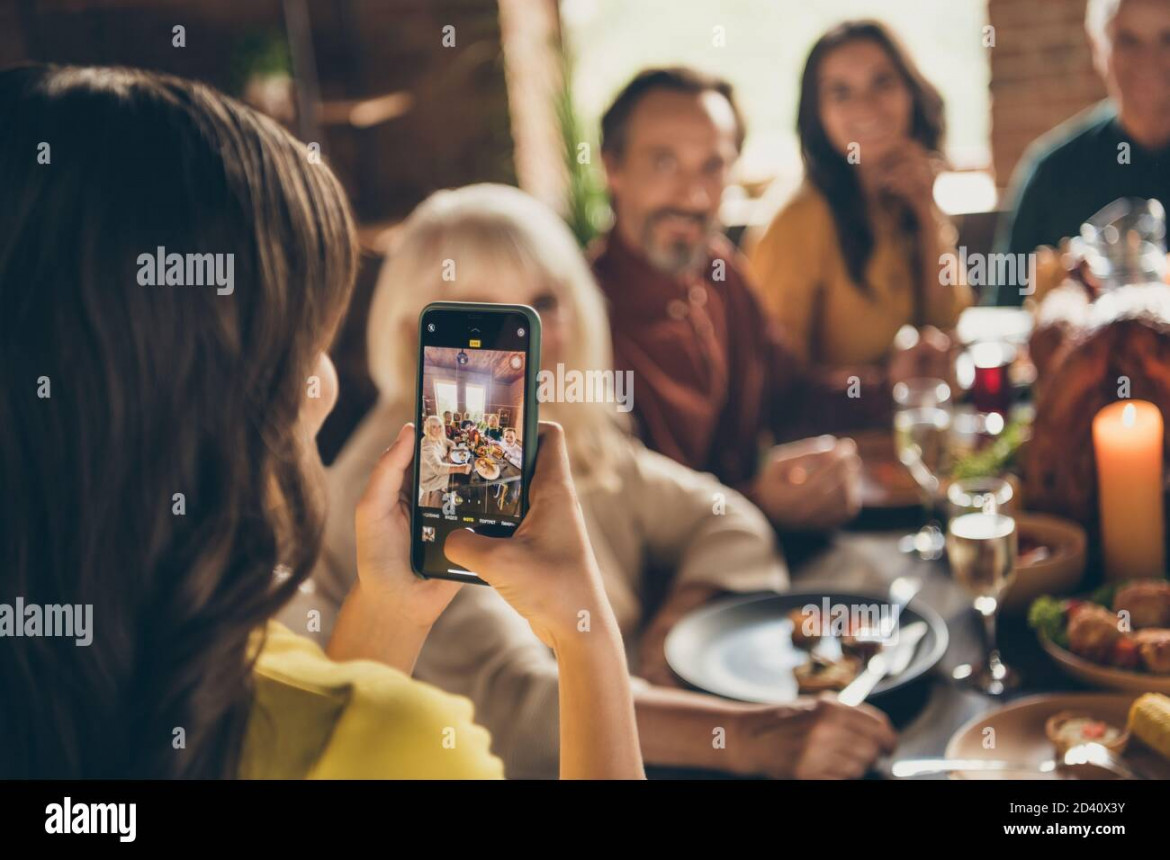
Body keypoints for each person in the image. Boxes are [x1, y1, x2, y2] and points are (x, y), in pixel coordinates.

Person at [0, 65, 643, 780]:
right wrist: (587, 639)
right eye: (304, 343)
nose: (325, 388)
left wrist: (390, 614)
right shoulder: (402, 741)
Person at [286, 183, 897, 780]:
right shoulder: (404, 486)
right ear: (407, 333)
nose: (525, 343)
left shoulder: (566, 430)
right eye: (481, 313)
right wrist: (745, 738)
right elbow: (518, 703)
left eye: (542, 304)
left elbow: (725, 519)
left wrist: (666, 638)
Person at [593, 66, 864, 532]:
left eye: (713, 166)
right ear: (612, 167)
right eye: (664, 162)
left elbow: (791, 396)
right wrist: (758, 505)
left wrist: (897, 387)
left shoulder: (720, 272)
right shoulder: (577, 318)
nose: (694, 196)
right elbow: (617, 527)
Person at [750, 23, 971, 373]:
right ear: (817, 115)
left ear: (911, 93)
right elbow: (775, 384)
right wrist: (885, 383)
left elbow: (947, 323)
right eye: (841, 92)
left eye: (882, 82)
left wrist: (925, 210)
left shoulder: (902, 200)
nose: (866, 106)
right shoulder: (797, 220)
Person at [993, 0, 1170, 305]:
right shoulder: (1052, 171)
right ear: (1098, 46)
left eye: (1168, 39)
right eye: (1128, 41)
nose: (1149, 59)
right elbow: (1004, 309)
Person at [418, 414, 467, 507]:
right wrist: (461, 468)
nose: (438, 429)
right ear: (428, 428)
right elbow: (438, 468)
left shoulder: (439, 438)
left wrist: (450, 452)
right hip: (431, 478)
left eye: (440, 426)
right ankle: (449, 496)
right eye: (434, 427)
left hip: (440, 468)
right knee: (459, 476)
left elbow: (451, 443)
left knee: (458, 467)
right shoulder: (426, 444)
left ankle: (450, 492)